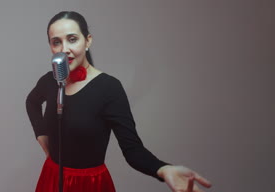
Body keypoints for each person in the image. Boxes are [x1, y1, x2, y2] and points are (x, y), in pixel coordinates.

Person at [26, 11, 212, 192]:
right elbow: (32, 102)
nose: (64, 49)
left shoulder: (109, 88)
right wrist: (41, 134)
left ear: (88, 40)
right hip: (51, 178)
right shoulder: (50, 81)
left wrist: (164, 169)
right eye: (56, 42)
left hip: (90, 185)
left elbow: (133, 150)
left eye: (72, 39)